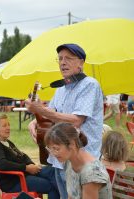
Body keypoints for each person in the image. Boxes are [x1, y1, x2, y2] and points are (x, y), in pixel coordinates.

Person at [25, 43, 103, 199]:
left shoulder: (90, 85)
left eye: (68, 58)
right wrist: (35, 121)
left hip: (81, 163)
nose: (63, 62)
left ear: (81, 63)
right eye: (60, 59)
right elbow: (50, 114)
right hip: (59, 160)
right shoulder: (61, 88)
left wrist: (40, 109)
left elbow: (76, 121)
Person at [0, 114, 60, 199]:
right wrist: (26, 168)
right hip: (13, 182)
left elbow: (22, 155)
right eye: (4, 126)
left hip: (23, 173)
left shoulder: (6, 142)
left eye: (8, 124)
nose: (8, 128)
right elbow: (2, 164)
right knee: (50, 185)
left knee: (53, 171)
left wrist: (32, 165)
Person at [44, 123, 112, 199]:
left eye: (56, 149)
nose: (53, 154)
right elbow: (71, 196)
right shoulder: (69, 162)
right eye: (50, 149)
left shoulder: (91, 174)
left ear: (72, 144)